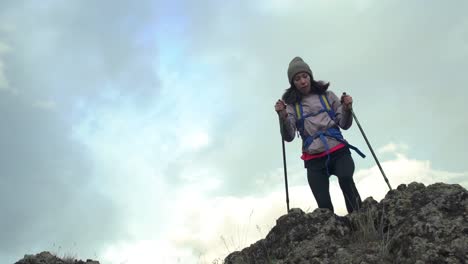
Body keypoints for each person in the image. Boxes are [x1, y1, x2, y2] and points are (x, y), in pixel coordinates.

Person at [274, 56, 364, 214]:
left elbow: (344, 124)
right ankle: (336, 234)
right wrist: (283, 116)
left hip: (338, 150)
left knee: (346, 179)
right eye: (297, 79)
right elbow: (288, 137)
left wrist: (347, 108)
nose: (302, 81)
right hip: (314, 158)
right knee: (324, 208)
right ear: (292, 83)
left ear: (310, 76)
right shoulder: (291, 107)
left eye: (305, 76)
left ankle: (361, 222)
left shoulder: (327, 96)